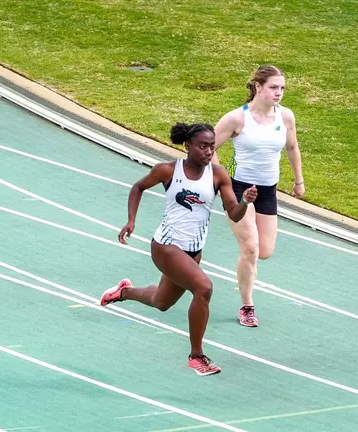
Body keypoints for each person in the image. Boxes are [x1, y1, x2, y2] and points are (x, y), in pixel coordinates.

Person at [100, 122, 257, 376]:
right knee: (204, 288)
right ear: (188, 146)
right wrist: (131, 220)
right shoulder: (168, 171)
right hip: (166, 246)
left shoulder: (218, 175)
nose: (208, 151)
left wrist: (245, 202)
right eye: (203, 146)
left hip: (194, 251)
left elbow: (235, 214)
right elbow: (138, 187)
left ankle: (124, 292)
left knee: (161, 302)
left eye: (212, 147)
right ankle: (197, 356)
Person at [211, 65, 304, 327]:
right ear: (258, 87)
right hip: (240, 188)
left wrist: (299, 181)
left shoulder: (285, 117)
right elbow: (209, 147)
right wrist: (222, 180)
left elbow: (292, 146)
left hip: (267, 190)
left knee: (264, 251)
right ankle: (247, 306)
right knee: (250, 248)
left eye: (282, 88)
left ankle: (246, 266)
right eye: (274, 87)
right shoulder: (236, 118)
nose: (279, 93)